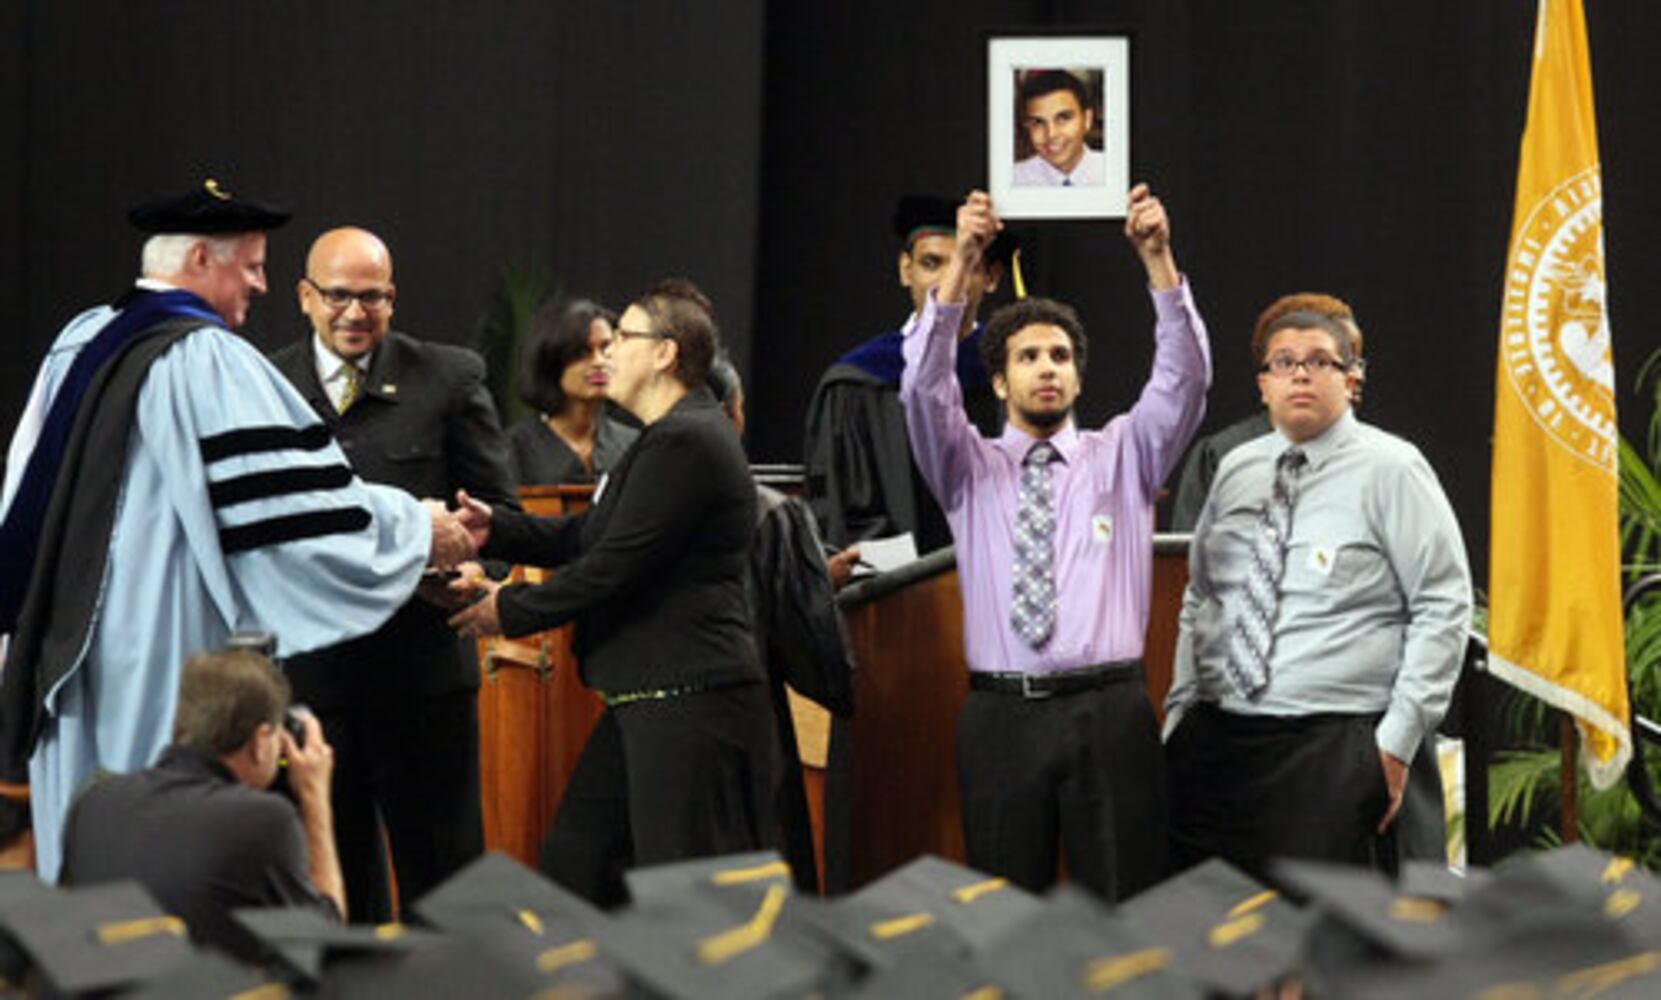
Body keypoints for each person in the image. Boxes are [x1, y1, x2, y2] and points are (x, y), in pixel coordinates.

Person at [0, 181, 472, 882]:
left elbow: (18, 487)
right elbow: (300, 510)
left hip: (67, 645)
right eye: (250, 265)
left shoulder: (79, 341)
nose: (261, 283)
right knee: (157, 840)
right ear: (199, 258)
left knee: (86, 834)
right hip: (157, 640)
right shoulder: (203, 359)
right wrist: (418, 528)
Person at [900, 186, 1210, 900]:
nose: (1047, 366)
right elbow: (922, 390)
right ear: (1000, 379)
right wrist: (964, 265)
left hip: (1110, 714)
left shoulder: (1124, 452)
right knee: (1008, 920)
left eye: (1061, 355)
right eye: (1029, 356)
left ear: (1077, 373)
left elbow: (1185, 380)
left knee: (1125, 916)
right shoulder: (965, 466)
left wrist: (1157, 259)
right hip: (1002, 718)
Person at [447, 279, 779, 908]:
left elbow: (611, 567)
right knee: (577, 863)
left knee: (681, 900)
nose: (609, 354)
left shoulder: (686, 440)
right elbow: (590, 534)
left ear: (665, 353)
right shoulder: (663, 438)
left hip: (688, 701)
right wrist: (499, 527)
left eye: (623, 337)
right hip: (647, 698)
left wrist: (505, 609)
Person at [268, 226, 521, 920]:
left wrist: (472, 572)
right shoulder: (264, 383)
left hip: (422, 680)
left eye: (373, 297)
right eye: (339, 296)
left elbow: (496, 513)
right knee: (334, 884)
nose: (356, 313)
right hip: (314, 682)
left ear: (393, 298)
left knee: (445, 885)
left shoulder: (449, 377)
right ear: (304, 296)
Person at [1163, 310, 1471, 879]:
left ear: (1352, 380)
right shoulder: (1233, 468)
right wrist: (1181, 711)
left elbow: (1443, 604)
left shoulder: (1393, 469)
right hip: (1222, 745)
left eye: (1319, 362)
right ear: (1264, 384)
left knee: (1332, 953)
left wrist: (1396, 744)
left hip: (1334, 747)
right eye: (1284, 363)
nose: (1300, 375)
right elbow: (1200, 596)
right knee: (1227, 944)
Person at [59, 649, 342, 962]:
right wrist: (315, 797)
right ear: (261, 742)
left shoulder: (93, 801)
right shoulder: (264, 819)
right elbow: (325, 946)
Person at [708, 356, 855, 893]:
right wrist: (814, 584)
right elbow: (814, 656)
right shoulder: (767, 511)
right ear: (733, 417)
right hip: (749, 726)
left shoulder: (623, 497)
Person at [803, 195, 1014, 553]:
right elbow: (842, 515)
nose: (947, 281)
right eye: (932, 264)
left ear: (992, 277)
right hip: (898, 598)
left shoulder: (1013, 377)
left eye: (966, 264)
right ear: (906, 269)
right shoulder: (860, 380)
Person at [1169, 293, 1365, 532]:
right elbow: (1188, 563)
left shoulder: (1385, 463)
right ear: (1266, 378)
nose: (1357, 375)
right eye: (1318, 362)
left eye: (1355, 361)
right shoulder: (1221, 458)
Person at [507, 298, 640, 485]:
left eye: (605, 348)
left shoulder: (634, 445)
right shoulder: (512, 449)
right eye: (582, 353)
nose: (600, 362)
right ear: (551, 362)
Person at [1012, 70, 1106, 188]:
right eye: (1038, 122)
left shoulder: (1117, 172)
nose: (1051, 134)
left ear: (1087, 120)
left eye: (1063, 118)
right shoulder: (1013, 180)